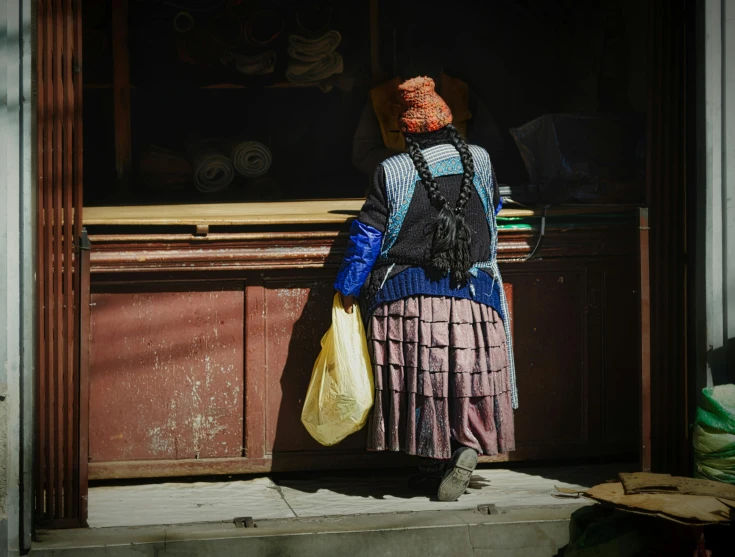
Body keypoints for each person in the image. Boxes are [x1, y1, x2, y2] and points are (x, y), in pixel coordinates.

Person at [334, 77, 517, 502]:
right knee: (467, 381)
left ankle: (433, 460)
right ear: (449, 123)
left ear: (404, 130)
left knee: (423, 384)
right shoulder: (483, 161)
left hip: (409, 303)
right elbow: (491, 211)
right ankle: (465, 447)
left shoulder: (391, 171)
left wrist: (346, 289)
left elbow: (367, 237)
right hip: (476, 302)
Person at [352, 33, 505, 178]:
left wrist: (451, 163)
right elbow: (363, 155)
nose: (424, 84)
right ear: (402, 70)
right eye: (416, 76)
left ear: (441, 68)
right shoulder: (381, 98)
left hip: (456, 184)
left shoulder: (461, 93)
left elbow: (492, 145)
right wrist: (414, 164)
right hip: (398, 186)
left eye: (431, 79)